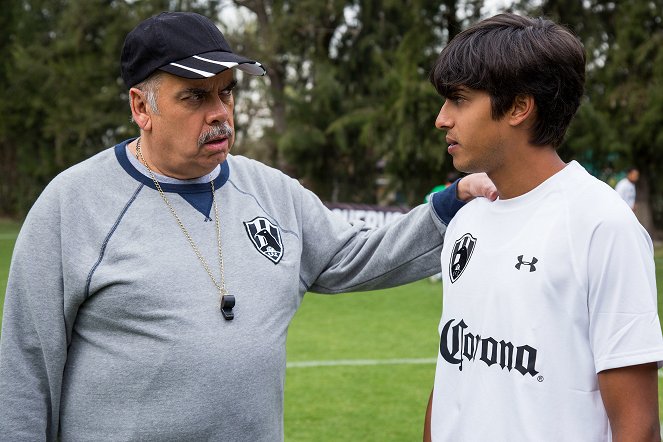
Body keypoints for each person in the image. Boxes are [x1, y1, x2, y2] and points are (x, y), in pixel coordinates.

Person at [0, 11, 497, 441]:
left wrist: (451, 204)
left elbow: (354, 257)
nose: (220, 113)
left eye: (227, 93)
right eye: (195, 97)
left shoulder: (270, 190)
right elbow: (24, 370)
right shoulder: (72, 204)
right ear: (140, 107)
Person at [423, 13, 663, 442]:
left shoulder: (602, 226)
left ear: (519, 107)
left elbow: (637, 427)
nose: (442, 119)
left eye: (459, 99)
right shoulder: (467, 220)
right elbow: (452, 372)